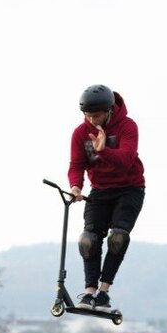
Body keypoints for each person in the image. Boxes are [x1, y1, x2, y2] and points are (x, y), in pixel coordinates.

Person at [68, 84, 145, 312]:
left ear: (109, 110)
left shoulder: (128, 127)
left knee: (118, 237)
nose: (92, 120)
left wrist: (102, 150)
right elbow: (76, 165)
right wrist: (75, 186)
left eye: (97, 115)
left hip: (129, 188)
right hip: (100, 190)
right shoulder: (80, 133)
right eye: (88, 116)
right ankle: (89, 293)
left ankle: (103, 293)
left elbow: (125, 159)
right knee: (88, 240)